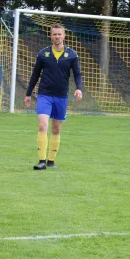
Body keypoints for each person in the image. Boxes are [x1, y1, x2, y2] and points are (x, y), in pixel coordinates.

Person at [24, 24, 83, 170]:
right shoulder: (43, 54)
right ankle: (42, 161)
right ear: (51, 36)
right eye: (54, 34)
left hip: (61, 97)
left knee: (56, 129)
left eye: (59, 34)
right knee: (43, 125)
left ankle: (51, 161)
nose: (57, 37)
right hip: (44, 95)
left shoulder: (72, 55)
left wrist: (79, 89)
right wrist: (28, 93)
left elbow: (77, 74)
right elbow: (35, 74)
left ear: (64, 36)